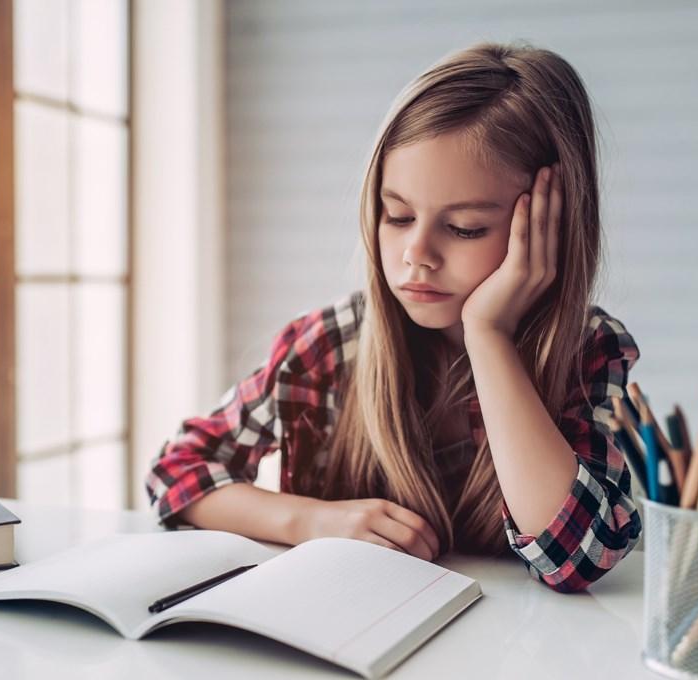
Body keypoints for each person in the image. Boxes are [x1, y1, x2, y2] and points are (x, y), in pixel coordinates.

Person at [145, 40, 641, 593]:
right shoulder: (329, 347)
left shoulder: (588, 351)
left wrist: (489, 335)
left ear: (553, 224)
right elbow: (176, 474)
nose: (416, 254)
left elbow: (577, 556)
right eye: (398, 215)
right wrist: (310, 520)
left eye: (465, 227)